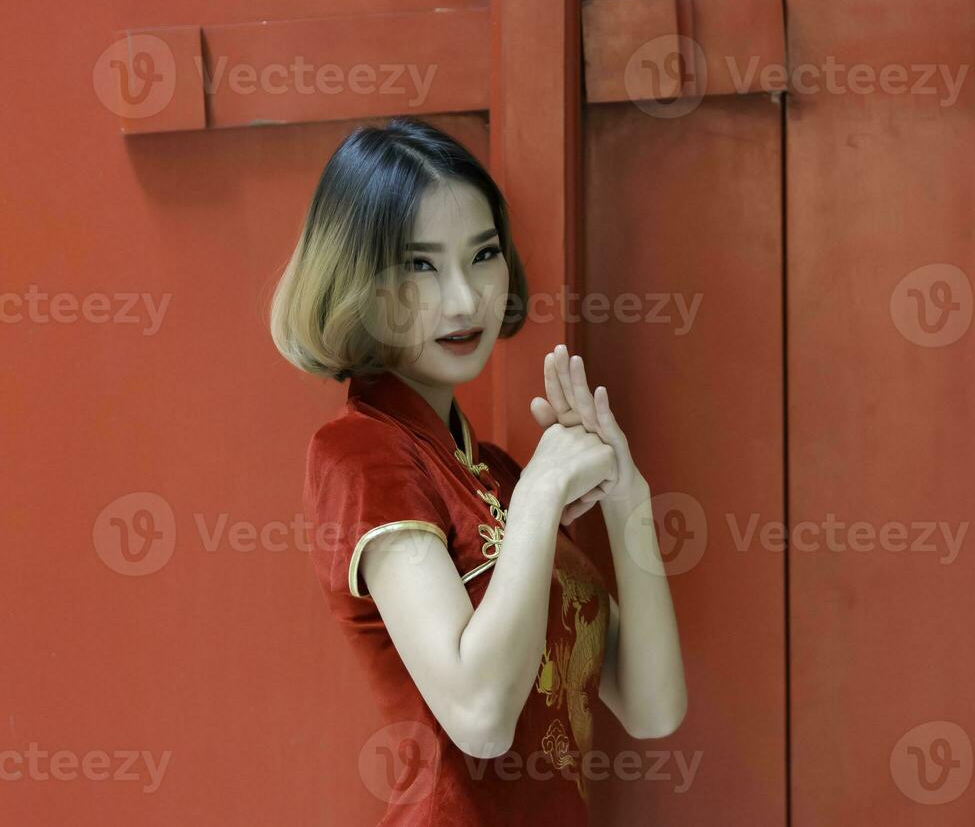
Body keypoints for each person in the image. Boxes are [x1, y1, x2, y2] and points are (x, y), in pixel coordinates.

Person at [269, 117, 687, 825]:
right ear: (358, 280)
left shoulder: (494, 473)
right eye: (419, 265)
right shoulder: (361, 454)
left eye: (483, 254)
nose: (464, 300)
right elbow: (481, 718)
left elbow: (651, 707)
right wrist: (541, 497)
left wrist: (627, 495)